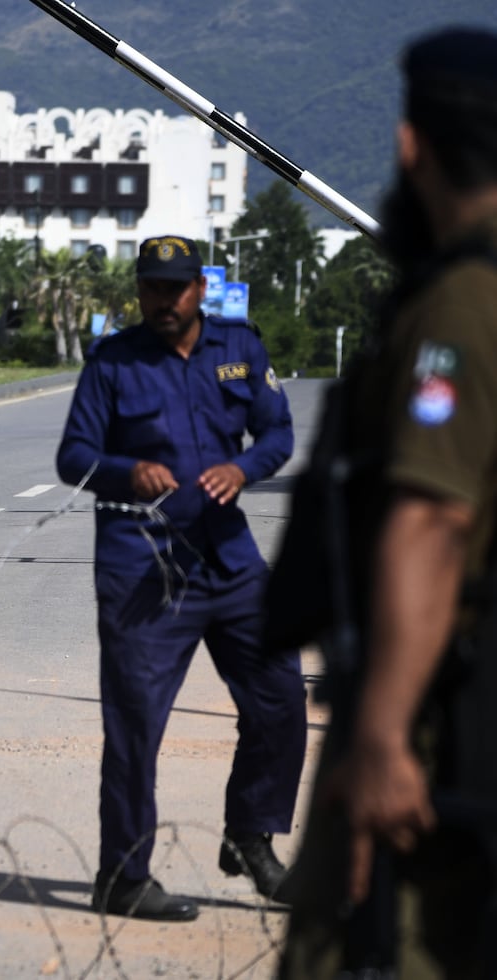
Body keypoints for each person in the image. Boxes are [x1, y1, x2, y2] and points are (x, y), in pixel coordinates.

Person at [278, 27, 497, 978]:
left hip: (438, 720)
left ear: (411, 147)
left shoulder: (461, 305)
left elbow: (431, 518)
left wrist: (379, 735)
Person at [56, 235, 307, 921]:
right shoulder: (113, 361)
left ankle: (251, 837)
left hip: (230, 561)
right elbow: (72, 454)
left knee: (281, 699)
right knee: (136, 723)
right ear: (139, 292)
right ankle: (124, 877)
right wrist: (124, 471)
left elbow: (279, 434)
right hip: (145, 566)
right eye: (151, 288)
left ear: (200, 288)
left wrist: (244, 469)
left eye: (175, 287)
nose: (163, 300)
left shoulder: (240, 350)